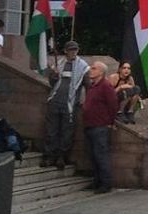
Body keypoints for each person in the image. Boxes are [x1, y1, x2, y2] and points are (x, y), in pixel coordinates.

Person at [43, 41, 88, 170]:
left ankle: (62, 156)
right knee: (51, 130)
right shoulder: (59, 64)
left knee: (67, 132)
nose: (73, 52)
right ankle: (49, 155)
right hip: (55, 101)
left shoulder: (83, 67)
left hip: (70, 104)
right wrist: (54, 75)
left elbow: (87, 86)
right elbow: (52, 83)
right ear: (65, 51)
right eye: (71, 50)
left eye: (75, 50)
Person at [81, 61, 118, 194]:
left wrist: (110, 122)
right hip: (90, 125)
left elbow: (113, 105)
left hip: (100, 126)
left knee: (101, 155)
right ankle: (96, 180)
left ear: (101, 72)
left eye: (94, 68)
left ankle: (106, 183)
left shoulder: (105, 86)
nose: (91, 70)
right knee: (93, 155)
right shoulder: (92, 86)